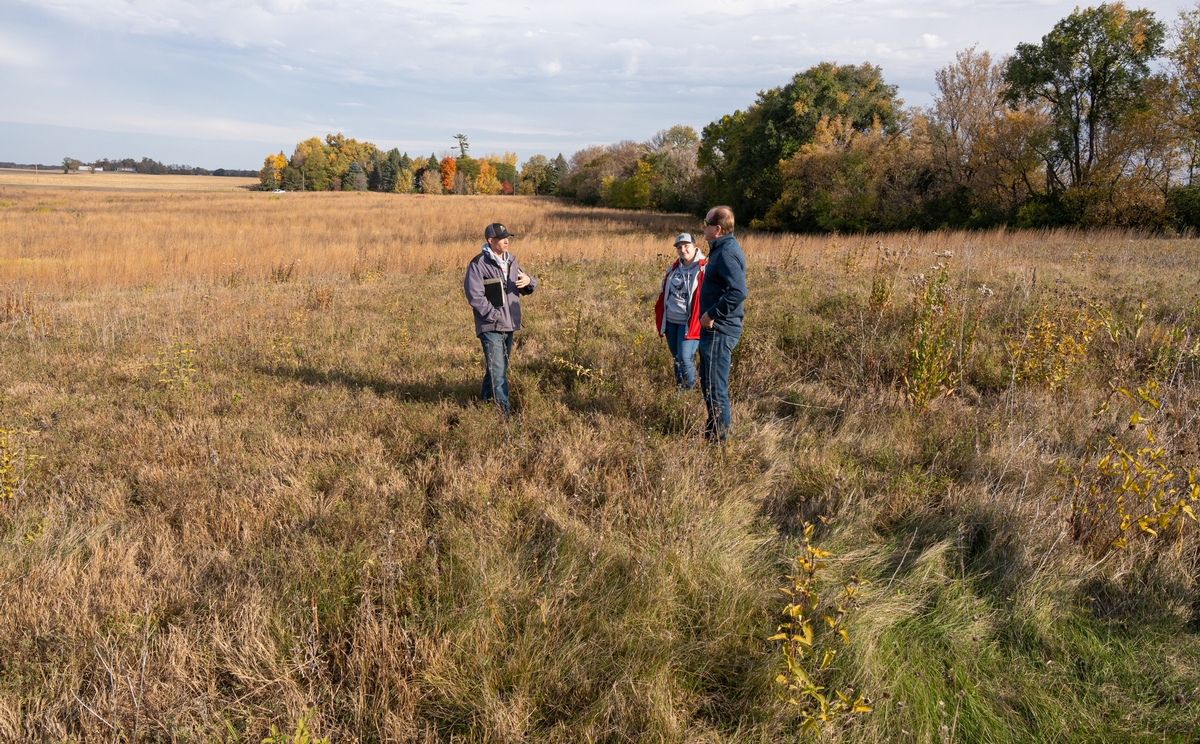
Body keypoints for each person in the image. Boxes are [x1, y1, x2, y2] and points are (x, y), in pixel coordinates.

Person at [464, 222, 536, 414]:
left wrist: (529, 281)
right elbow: (475, 296)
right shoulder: (478, 264)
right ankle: (503, 414)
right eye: (502, 238)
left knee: (496, 369)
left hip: (509, 325)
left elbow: (525, 283)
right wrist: (494, 316)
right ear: (490, 241)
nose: (506, 241)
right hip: (490, 326)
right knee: (498, 372)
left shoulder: (511, 262)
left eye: (508, 237)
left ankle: (484, 405)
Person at [697, 206, 747, 441]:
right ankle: (711, 434)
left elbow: (738, 292)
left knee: (715, 389)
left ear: (717, 229)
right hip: (714, 330)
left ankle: (719, 443)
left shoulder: (727, 251)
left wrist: (711, 314)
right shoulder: (720, 249)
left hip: (720, 330)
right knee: (708, 383)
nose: (703, 227)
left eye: (705, 223)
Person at [654, 232, 707, 390]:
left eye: (686, 246)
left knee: (685, 358)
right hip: (671, 320)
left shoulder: (704, 268)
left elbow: (711, 294)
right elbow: (664, 290)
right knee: (677, 358)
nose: (683, 250)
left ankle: (689, 391)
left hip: (690, 322)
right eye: (679, 247)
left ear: (695, 247)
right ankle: (680, 389)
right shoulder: (673, 268)